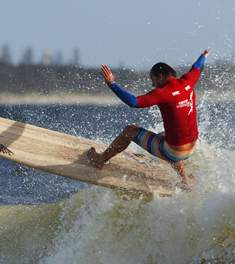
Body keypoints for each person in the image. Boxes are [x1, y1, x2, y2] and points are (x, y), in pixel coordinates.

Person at [87, 49, 211, 189]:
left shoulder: (163, 93)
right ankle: (185, 179)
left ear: (160, 76)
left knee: (129, 131)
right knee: (165, 136)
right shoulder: (188, 81)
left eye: (153, 80)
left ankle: (100, 159)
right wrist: (203, 56)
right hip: (192, 146)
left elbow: (133, 102)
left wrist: (111, 84)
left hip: (173, 152)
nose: (152, 84)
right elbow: (197, 67)